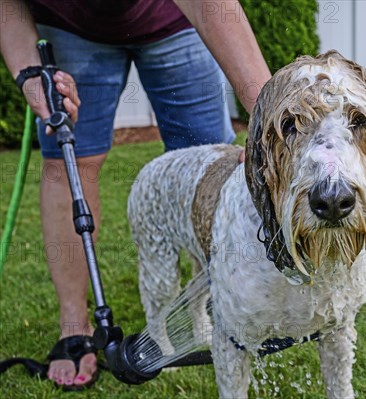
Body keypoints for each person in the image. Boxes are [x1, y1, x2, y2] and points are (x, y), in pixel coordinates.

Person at [0, 0, 271, 390]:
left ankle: (215, 306)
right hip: (70, 26)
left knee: (211, 160)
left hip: (172, 20)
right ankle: (74, 324)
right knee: (68, 159)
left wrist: (267, 115)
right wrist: (29, 74)